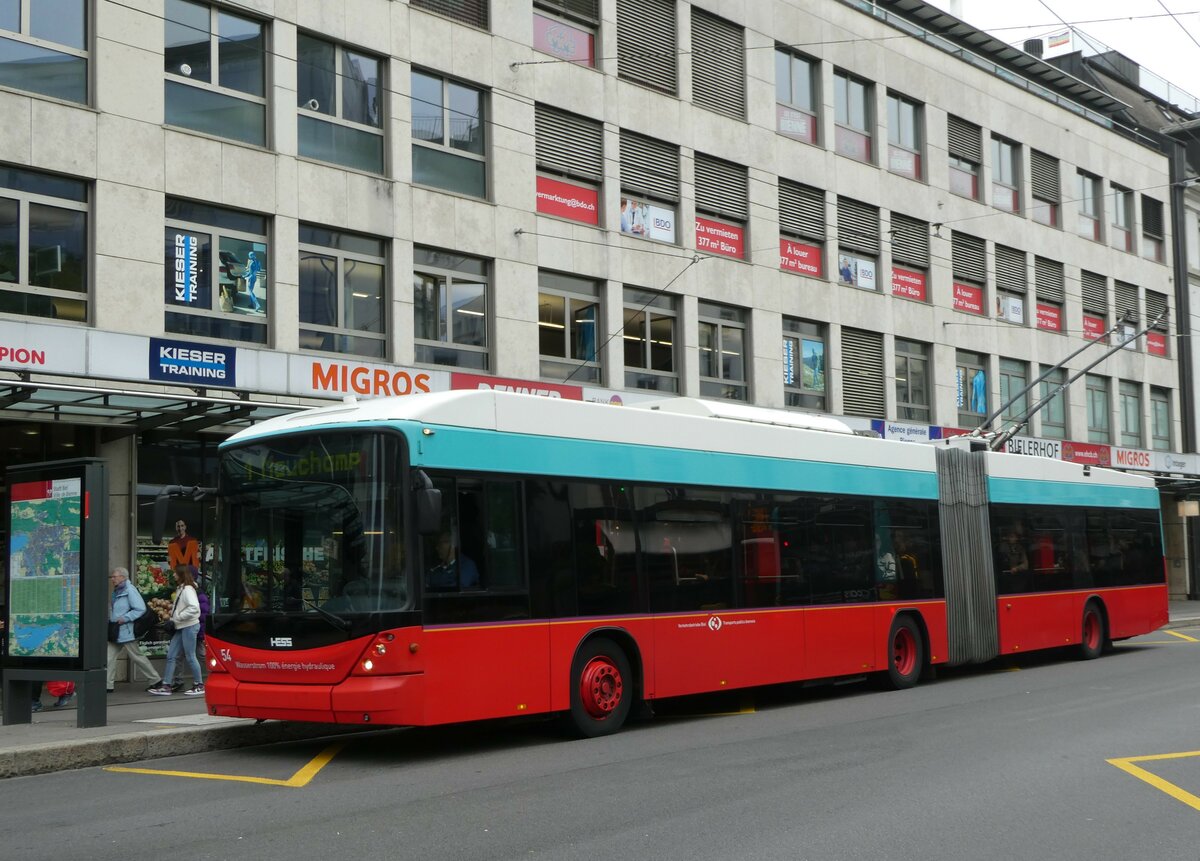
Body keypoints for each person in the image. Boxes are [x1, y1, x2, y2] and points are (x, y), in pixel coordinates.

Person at [147, 565, 205, 697]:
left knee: (190, 656)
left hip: (188, 626)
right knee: (172, 655)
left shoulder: (187, 589)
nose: (173, 575)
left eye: (175, 573)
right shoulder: (182, 588)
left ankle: (199, 684)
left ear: (181, 574)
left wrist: (177, 617)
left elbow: (194, 609)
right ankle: (166, 685)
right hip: (182, 625)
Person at [107, 566, 163, 694]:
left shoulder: (129, 590)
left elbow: (140, 608)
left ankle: (155, 680)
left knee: (137, 657)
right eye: (112, 577)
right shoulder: (117, 591)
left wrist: (125, 618)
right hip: (116, 630)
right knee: (108, 657)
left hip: (126, 630)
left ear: (122, 577)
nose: (112, 579)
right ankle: (107, 685)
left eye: (114, 576)